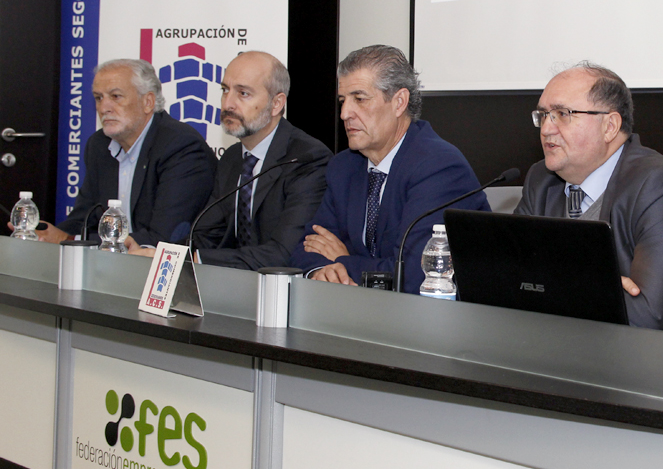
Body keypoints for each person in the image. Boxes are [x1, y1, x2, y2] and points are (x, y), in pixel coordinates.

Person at [514, 62, 663, 336]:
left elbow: (648, 317)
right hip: (568, 349)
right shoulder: (541, 179)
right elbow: (512, 283)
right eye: (543, 115)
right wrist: (602, 286)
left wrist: (549, 282)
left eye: (562, 114)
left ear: (610, 125)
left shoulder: (659, 184)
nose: (546, 129)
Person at [291, 45, 489, 292]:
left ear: (399, 102)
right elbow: (305, 249)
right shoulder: (343, 166)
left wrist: (342, 261)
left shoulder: (438, 166)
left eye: (359, 99)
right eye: (343, 101)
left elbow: (415, 276)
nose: (344, 114)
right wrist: (320, 271)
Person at [128, 51, 332, 270]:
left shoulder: (305, 159)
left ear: (276, 104)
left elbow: (284, 253)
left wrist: (194, 260)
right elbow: (207, 235)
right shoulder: (232, 158)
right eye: (225, 90)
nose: (228, 104)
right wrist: (160, 254)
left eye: (243, 93)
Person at [16, 59, 217, 245]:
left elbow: (164, 237)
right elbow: (83, 219)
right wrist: (45, 236)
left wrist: (69, 240)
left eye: (115, 96)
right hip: (113, 266)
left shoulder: (181, 147)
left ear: (148, 102)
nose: (104, 108)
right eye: (98, 98)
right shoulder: (99, 145)